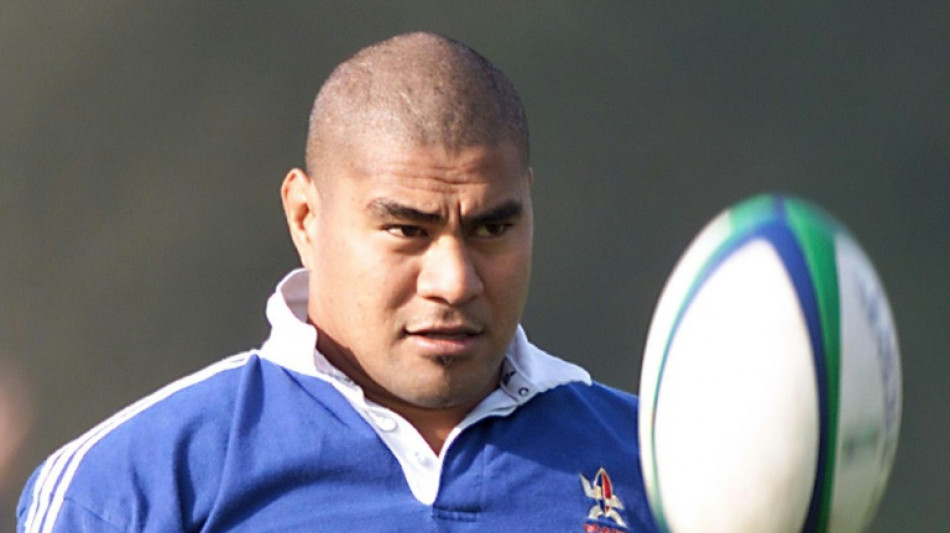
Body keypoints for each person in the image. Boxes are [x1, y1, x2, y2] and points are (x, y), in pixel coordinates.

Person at [18, 32, 658, 532]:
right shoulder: (129, 487)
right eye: (407, 230)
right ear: (306, 216)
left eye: (492, 228)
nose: (454, 281)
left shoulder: (661, 466)